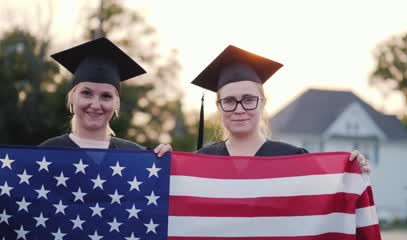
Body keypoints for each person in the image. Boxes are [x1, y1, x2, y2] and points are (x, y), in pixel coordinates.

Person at [191, 45, 370, 173]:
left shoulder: (293, 158)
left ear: (263, 102)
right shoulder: (203, 161)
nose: (239, 109)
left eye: (248, 99)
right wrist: (164, 162)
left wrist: (355, 174)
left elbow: (329, 202)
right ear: (218, 106)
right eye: (229, 101)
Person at [39, 37, 171, 156]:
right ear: (72, 97)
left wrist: (167, 162)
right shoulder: (47, 153)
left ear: (116, 103)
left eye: (106, 96)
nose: (95, 105)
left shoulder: (137, 157)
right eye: (86, 93)